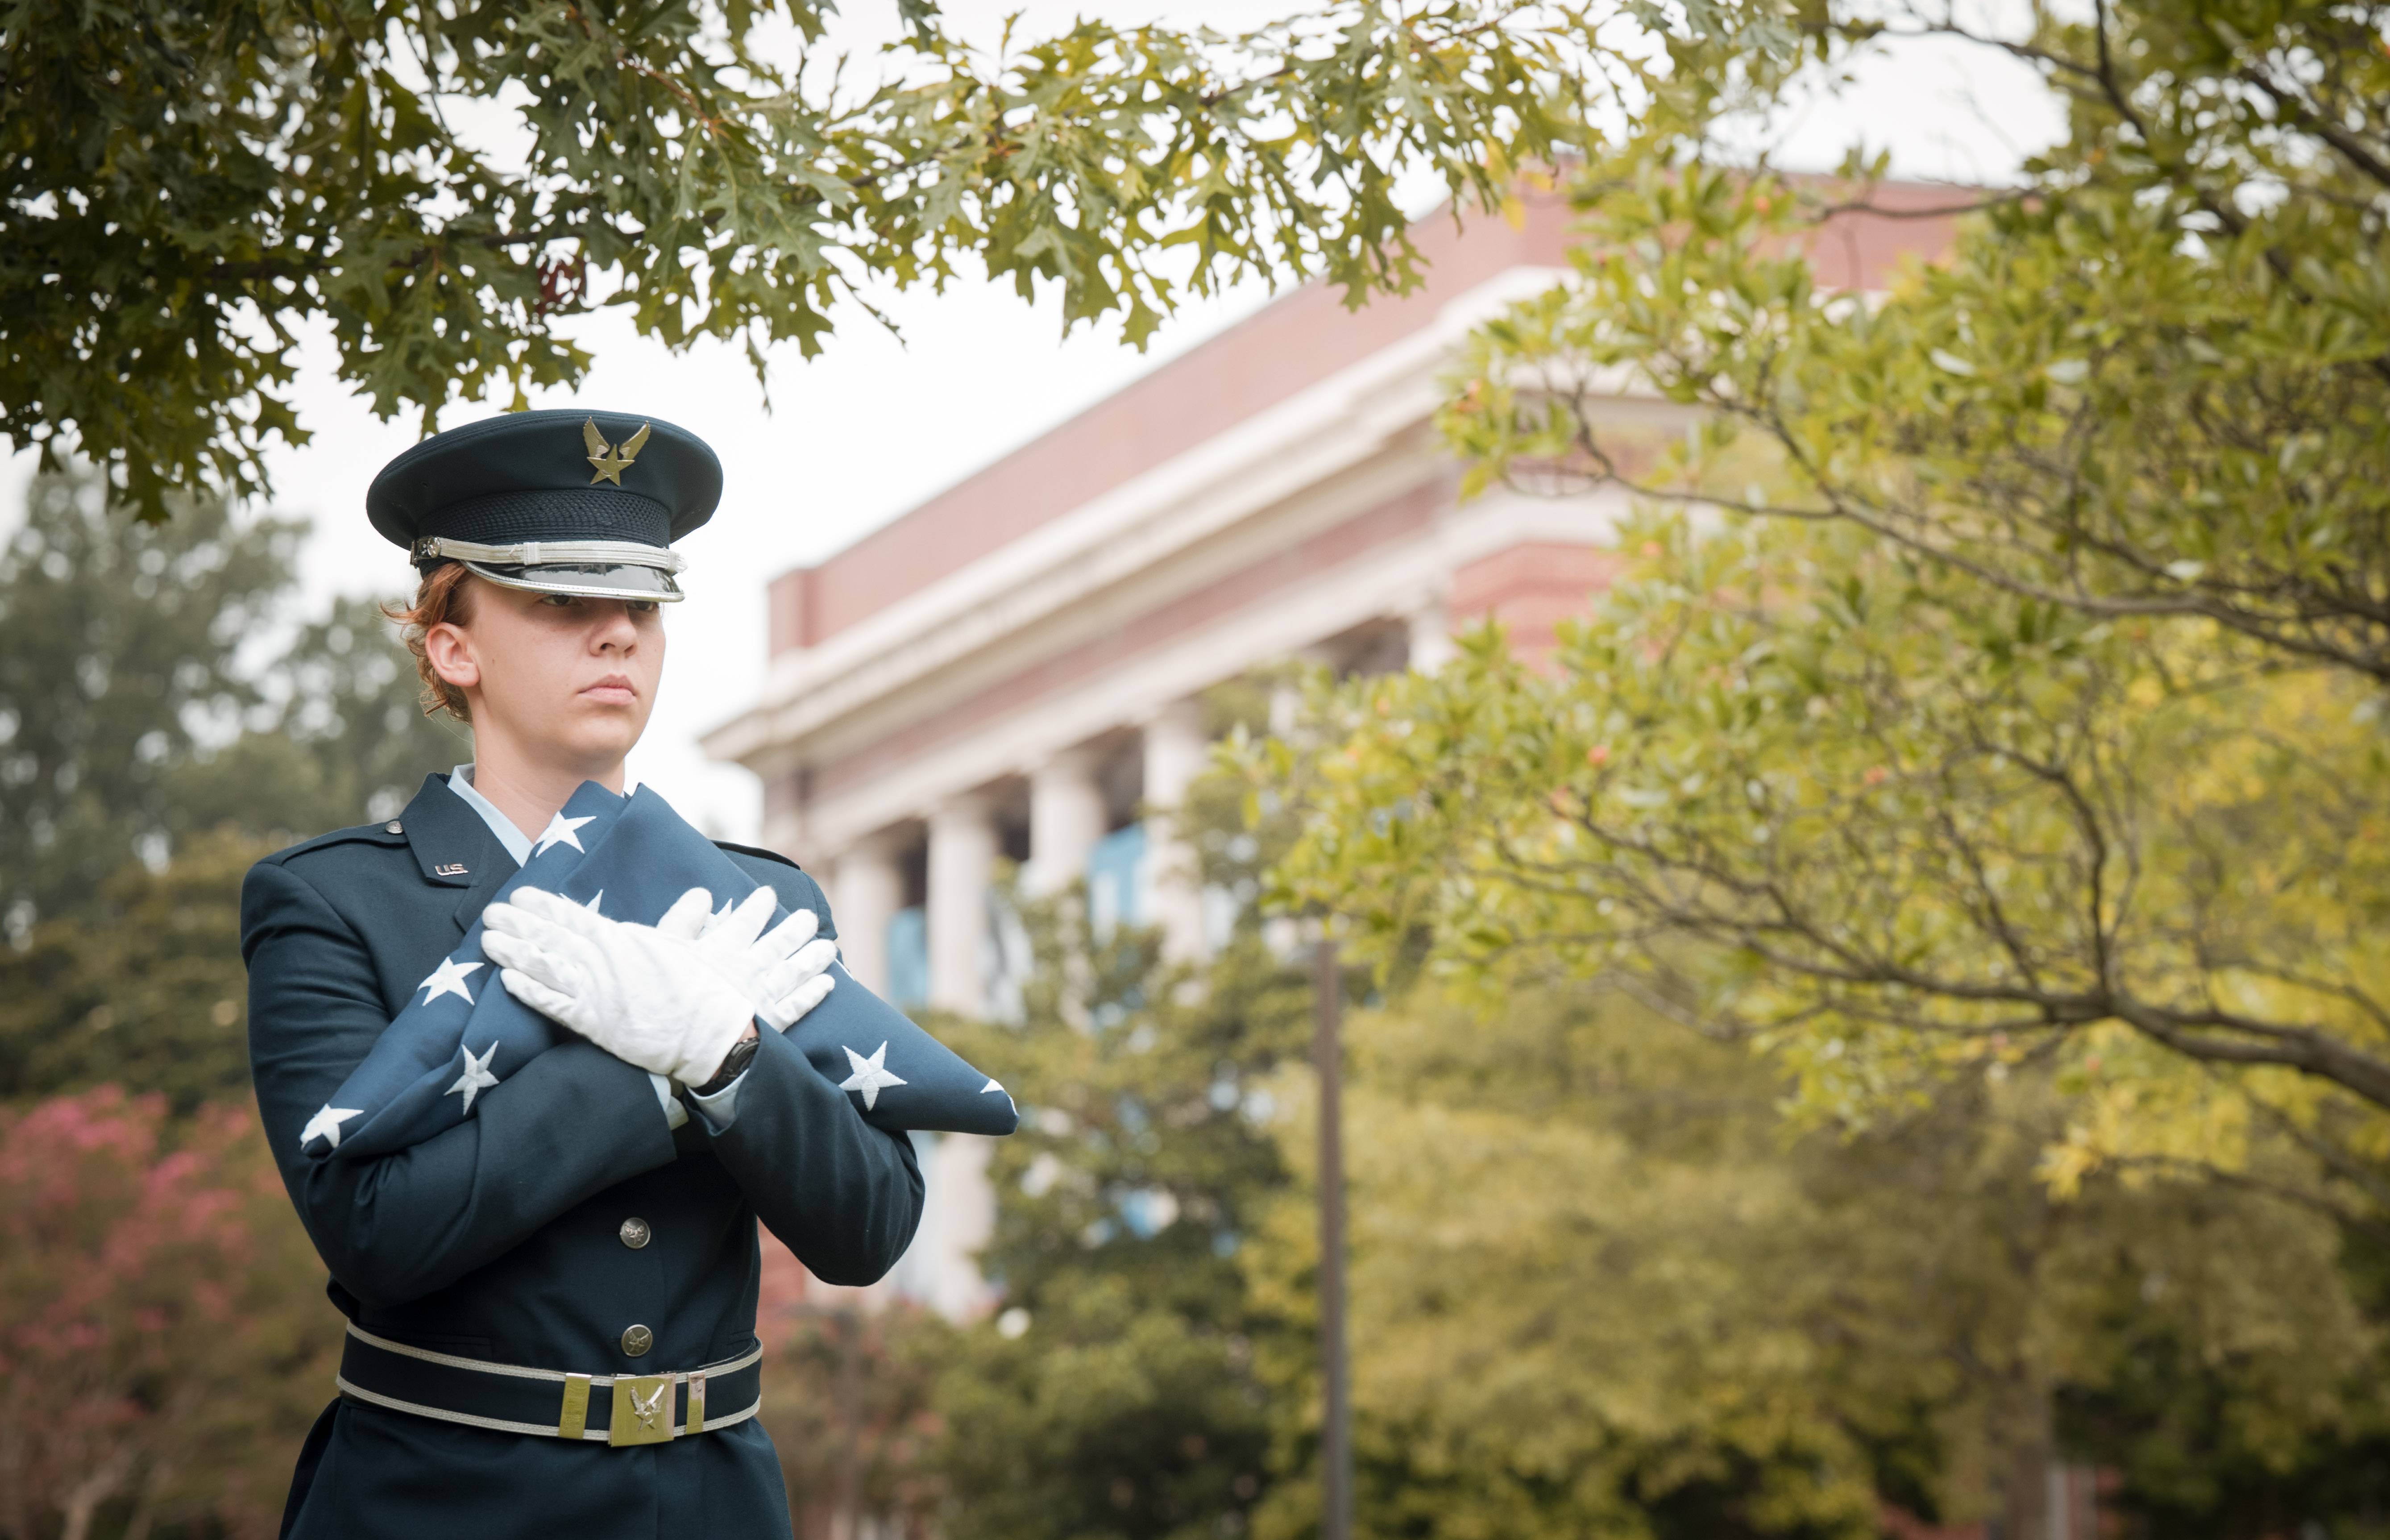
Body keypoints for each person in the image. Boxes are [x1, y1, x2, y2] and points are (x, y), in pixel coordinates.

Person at [241, 409, 925, 1537]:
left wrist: (725, 1051)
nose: (618, 636)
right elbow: (376, 1233)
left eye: (642, 607)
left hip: (714, 1501)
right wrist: (649, 1079)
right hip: (438, 1501)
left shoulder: (759, 904)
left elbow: (869, 1226)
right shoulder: (331, 902)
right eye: (562, 603)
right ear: (451, 646)